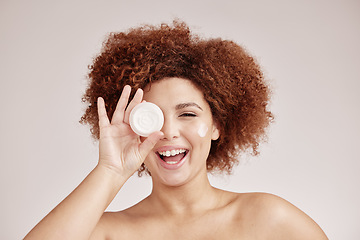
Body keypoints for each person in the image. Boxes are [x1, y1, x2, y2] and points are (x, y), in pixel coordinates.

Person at [25, 20, 328, 239]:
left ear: (217, 124)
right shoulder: (104, 231)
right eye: (151, 116)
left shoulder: (268, 220)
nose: (168, 132)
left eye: (187, 113)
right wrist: (110, 171)